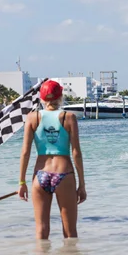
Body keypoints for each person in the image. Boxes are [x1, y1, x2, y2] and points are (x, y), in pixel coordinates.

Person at [18, 80, 86, 239]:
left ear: (42, 99)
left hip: (40, 175)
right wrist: (82, 184)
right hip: (64, 174)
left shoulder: (32, 118)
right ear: (60, 97)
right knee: (70, 233)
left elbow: (25, 152)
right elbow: (76, 152)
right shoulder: (68, 117)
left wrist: (21, 182)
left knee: (41, 231)